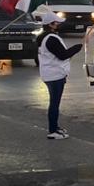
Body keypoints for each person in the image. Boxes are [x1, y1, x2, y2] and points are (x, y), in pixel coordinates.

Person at [36, 8, 83, 140]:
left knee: (54, 102)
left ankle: (55, 126)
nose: (59, 25)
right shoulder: (51, 39)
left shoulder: (43, 37)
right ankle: (52, 130)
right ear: (50, 24)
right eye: (56, 23)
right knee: (54, 103)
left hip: (50, 73)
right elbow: (63, 55)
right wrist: (76, 48)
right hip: (54, 75)